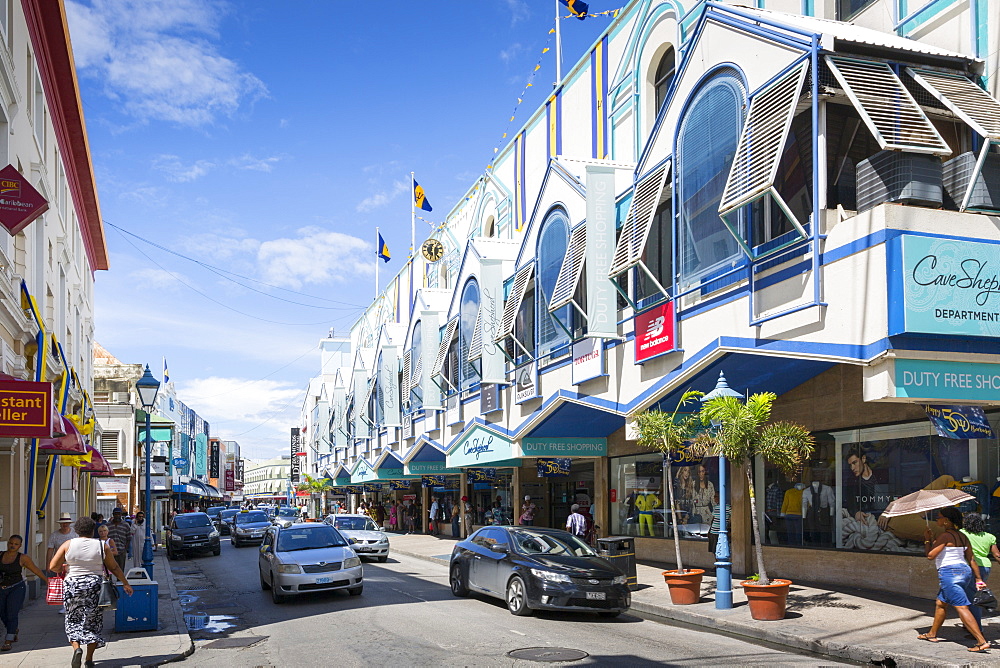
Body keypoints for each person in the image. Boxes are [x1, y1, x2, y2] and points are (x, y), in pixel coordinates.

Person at [50, 516, 134, 668]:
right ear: (93, 530)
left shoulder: (68, 544)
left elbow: (53, 566)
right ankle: (89, 660)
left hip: (73, 585)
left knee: (72, 620)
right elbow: (114, 568)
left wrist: (65, 567)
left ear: (76, 530)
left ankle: (77, 649)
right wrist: (125, 583)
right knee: (92, 622)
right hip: (94, 586)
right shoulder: (102, 546)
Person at [917, 507, 989, 653]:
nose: (937, 519)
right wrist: (979, 579)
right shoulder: (963, 536)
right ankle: (932, 634)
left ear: (946, 521)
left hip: (950, 574)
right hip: (965, 572)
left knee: (962, 607)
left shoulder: (945, 536)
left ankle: (981, 641)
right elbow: (972, 559)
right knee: (941, 603)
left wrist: (926, 539)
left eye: (939, 517)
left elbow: (930, 555)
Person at [0, 535, 48, 652]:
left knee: (12, 613)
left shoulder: (22, 558)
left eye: (16, 544)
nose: (12, 545)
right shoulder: (1, 555)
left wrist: (48, 582)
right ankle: (13, 629)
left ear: (20, 546)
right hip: (2, 588)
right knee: (2, 612)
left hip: (17, 587)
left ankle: (8, 639)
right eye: (11, 543)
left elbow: (35, 570)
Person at [961, 512, 1000, 630]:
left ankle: (976, 628)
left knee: (972, 597)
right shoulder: (989, 536)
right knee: (974, 595)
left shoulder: (962, 533)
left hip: (971, 566)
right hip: (985, 567)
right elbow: (997, 555)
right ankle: (968, 623)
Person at [105, 509, 132, 576]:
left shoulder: (125, 525)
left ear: (121, 515)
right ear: (113, 514)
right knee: (109, 570)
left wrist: (125, 549)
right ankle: (110, 584)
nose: (117, 515)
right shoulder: (107, 525)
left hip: (121, 551)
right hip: (110, 552)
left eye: (119, 514)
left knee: (120, 571)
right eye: (115, 514)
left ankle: (119, 583)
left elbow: (129, 538)